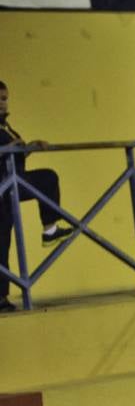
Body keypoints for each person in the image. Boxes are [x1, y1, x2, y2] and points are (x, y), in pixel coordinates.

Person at [1, 80, 76, 313]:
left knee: (47, 178)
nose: (3, 103)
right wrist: (10, 147)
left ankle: (50, 228)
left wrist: (30, 145)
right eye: (0, 99)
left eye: (5, 99)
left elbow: (15, 152)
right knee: (1, 241)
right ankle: (0, 298)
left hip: (14, 182)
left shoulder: (5, 126)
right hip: (3, 185)